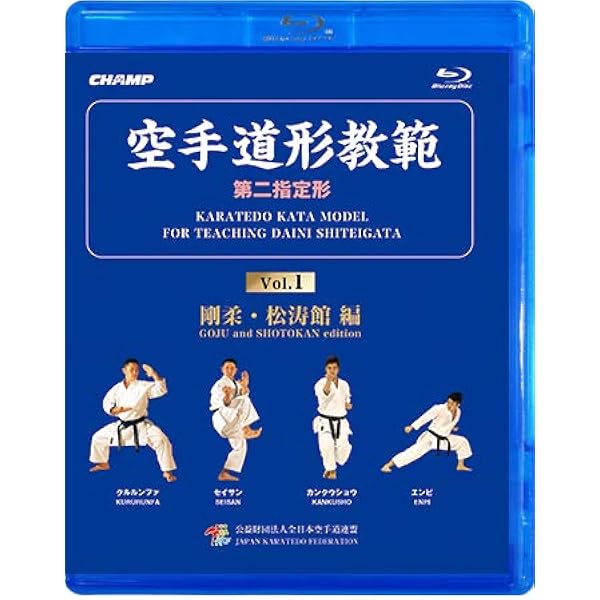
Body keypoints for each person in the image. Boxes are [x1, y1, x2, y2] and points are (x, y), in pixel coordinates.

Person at [89, 358, 177, 482]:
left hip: (141, 425)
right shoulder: (116, 389)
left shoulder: (143, 386)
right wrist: (115, 410)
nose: (135, 373)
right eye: (132, 370)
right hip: (123, 425)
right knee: (98, 437)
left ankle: (167, 471)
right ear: (124, 370)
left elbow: (161, 390)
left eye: (137, 370)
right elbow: (106, 404)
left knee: (162, 441)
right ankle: (103, 463)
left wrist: (154, 375)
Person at [380, 392, 473, 473]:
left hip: (443, 438)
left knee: (462, 441)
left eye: (452, 403)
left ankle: (460, 465)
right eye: (448, 402)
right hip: (430, 438)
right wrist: (412, 427)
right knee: (412, 453)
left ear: (458, 404)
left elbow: (447, 423)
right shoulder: (439, 408)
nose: (449, 405)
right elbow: (425, 417)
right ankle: (387, 465)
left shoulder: (458, 412)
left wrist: (452, 428)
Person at [210, 358, 262, 482]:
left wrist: (244, 385)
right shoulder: (219, 384)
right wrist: (228, 395)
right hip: (222, 417)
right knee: (244, 399)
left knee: (241, 446)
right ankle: (246, 428)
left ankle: (224, 473)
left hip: (232, 424)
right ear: (222, 369)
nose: (229, 370)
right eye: (227, 367)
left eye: (232, 368)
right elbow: (226, 403)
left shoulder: (237, 384)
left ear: (236, 370)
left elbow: (241, 395)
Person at [313, 356, 353, 479]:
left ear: (338, 369)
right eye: (329, 368)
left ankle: (331, 466)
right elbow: (324, 395)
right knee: (327, 447)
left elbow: (347, 399)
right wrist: (328, 381)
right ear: (325, 369)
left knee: (343, 450)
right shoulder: (320, 383)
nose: (332, 370)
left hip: (341, 421)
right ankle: (331, 471)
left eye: (334, 368)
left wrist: (347, 405)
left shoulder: (344, 384)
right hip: (325, 421)